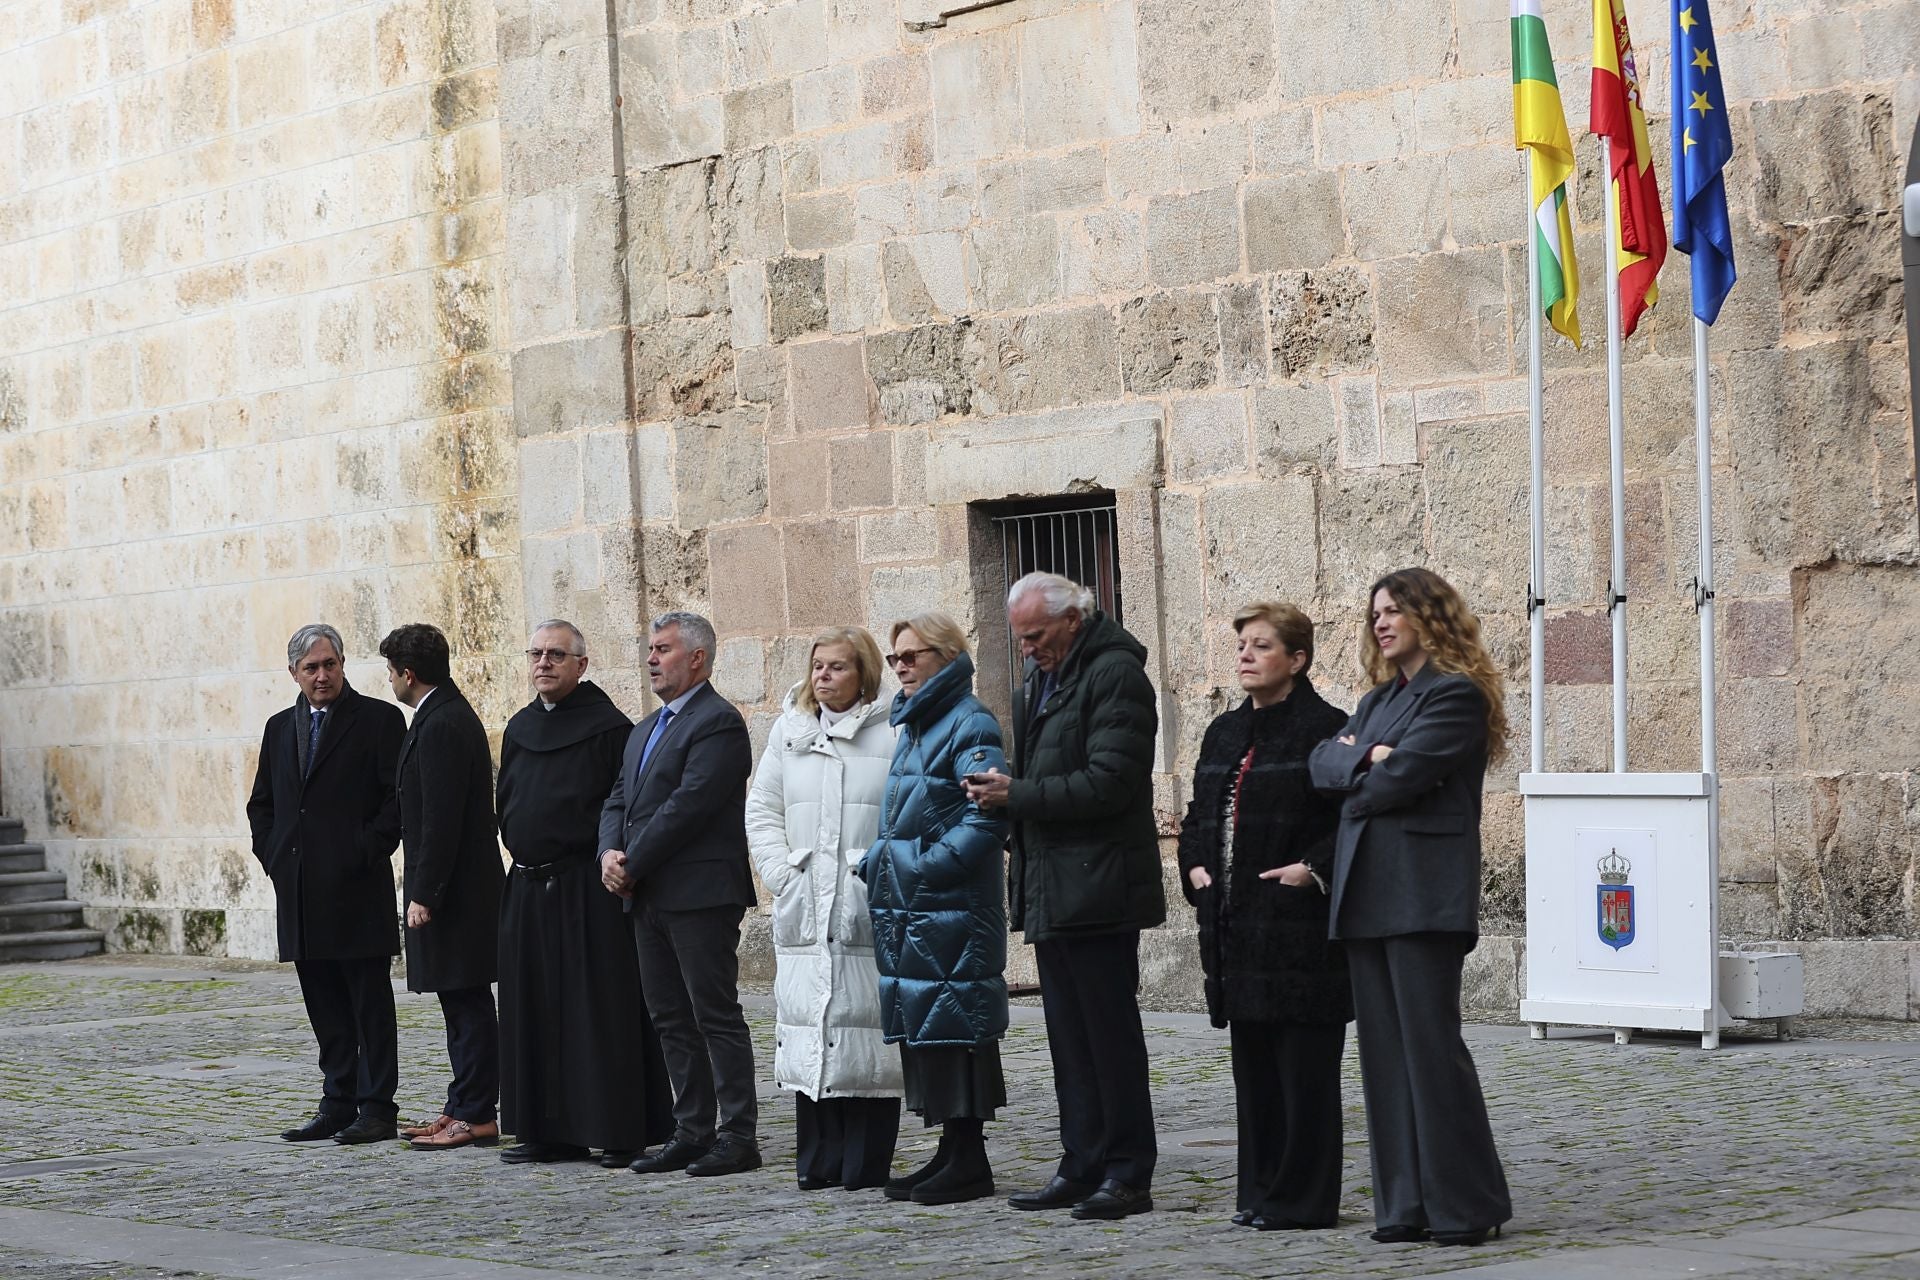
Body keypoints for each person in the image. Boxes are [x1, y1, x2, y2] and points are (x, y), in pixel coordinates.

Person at [1308, 567, 1514, 1247]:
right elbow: (1323, 768)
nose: (1382, 623)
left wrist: (1359, 767)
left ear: (1430, 616)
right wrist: (1366, 757)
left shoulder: (1454, 696)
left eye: (1394, 610)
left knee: (1429, 1050)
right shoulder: (1374, 705)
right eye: (1375, 614)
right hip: (1367, 892)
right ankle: (1404, 1206)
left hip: (1424, 893)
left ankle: (1465, 1205)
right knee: (1384, 1057)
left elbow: (1396, 779)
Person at [966, 572, 1164, 1222]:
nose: (1026, 648)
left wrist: (1015, 796)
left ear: (1074, 621)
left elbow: (1109, 782)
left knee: (1108, 1039)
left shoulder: (1114, 675)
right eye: (1020, 638)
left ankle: (1128, 1173)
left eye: (1037, 636)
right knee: (1069, 1042)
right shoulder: (1040, 681)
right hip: (1056, 885)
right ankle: (1081, 1163)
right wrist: (1010, 790)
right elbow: (1054, 775)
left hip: (1100, 887)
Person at [1177, 602, 1351, 1231]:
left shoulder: (1328, 729)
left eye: (1261, 647)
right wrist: (1195, 865)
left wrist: (1312, 869)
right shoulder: (1223, 731)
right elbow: (1199, 814)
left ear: (1297, 659)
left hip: (1300, 932)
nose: (1246, 657)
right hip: (1235, 929)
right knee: (1254, 1072)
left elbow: (1351, 822)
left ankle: (1303, 1199)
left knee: (1303, 1073)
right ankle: (1258, 1190)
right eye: (1242, 646)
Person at [495, 620, 675, 1167]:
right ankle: (546, 1130)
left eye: (556, 655)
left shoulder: (607, 729)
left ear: (582, 665)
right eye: (536, 654)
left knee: (598, 1011)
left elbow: (624, 806)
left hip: (585, 887)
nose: (544, 663)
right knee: (533, 1010)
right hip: (526, 884)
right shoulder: (520, 727)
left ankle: (619, 1129)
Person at [599, 611, 760, 1178]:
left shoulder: (718, 722)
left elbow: (689, 806)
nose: (650, 659)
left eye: (662, 649)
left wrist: (632, 863)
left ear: (697, 657)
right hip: (645, 895)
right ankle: (691, 1130)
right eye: (649, 649)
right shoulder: (645, 729)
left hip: (698, 893)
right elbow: (618, 798)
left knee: (713, 1012)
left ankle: (738, 1135)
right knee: (668, 1016)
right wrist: (608, 854)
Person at [746, 626, 902, 1191]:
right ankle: (818, 1159)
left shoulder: (892, 732)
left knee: (866, 1032)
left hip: (866, 905)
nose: (823, 676)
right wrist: (783, 874)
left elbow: (903, 811)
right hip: (806, 905)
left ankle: (863, 1163)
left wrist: (877, 874)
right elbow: (761, 809)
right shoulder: (789, 732)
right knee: (809, 1025)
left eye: (837, 666)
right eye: (817, 666)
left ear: (863, 672)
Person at [863, 611, 1010, 1206]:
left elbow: (986, 815)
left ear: (946, 658)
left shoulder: (969, 722)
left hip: (950, 908)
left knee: (958, 1030)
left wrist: (924, 867)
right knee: (931, 1032)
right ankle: (952, 1149)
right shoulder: (920, 724)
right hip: (916, 909)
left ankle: (970, 1160)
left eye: (912, 655)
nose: (900, 666)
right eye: (896, 658)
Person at [246, 623, 406, 1147]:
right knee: (325, 1006)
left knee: (368, 1006)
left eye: (329, 664)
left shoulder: (379, 720)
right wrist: (275, 857)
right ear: (293, 672)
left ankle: (378, 1107)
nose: (322, 675)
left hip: (356, 889)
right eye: (311, 667)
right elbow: (262, 804)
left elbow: (396, 801)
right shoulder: (278, 727)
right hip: (300, 892)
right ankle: (337, 1102)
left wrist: (362, 849)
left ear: (342, 664)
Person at [381, 622, 505, 1152]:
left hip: (458, 893)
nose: (389, 682)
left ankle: (476, 1113)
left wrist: (425, 893)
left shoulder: (443, 723)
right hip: (455, 888)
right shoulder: (438, 716)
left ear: (408, 674)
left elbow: (442, 818)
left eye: (390, 672)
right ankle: (461, 1103)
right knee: (457, 1002)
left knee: (467, 1000)